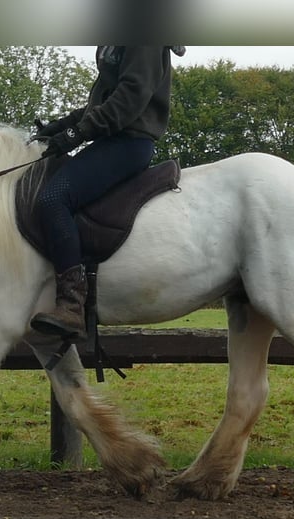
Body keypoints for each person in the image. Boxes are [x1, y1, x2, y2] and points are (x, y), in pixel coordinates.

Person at [30, 45, 185, 341]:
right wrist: (60, 127)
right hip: (111, 141)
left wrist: (77, 134)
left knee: (54, 200)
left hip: (128, 143)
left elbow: (131, 97)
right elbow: (101, 102)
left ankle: (71, 304)